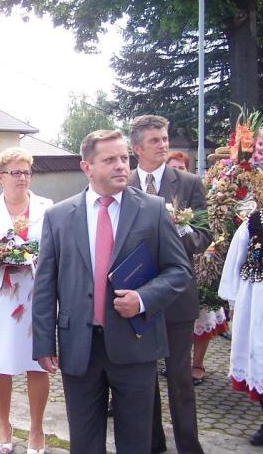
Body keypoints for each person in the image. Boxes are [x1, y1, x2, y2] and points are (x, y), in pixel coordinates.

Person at [33, 129, 192, 454]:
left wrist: (143, 299)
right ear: (87, 167)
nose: (121, 165)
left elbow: (179, 270)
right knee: (84, 443)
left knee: (135, 443)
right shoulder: (58, 216)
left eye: (124, 158)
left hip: (135, 345)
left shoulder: (152, 209)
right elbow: (45, 285)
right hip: (80, 347)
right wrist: (44, 342)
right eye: (110, 160)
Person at [129, 116, 209, 454]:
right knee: (144, 379)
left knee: (179, 379)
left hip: (177, 295)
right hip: (137, 296)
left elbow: (203, 237)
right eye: (155, 140)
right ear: (137, 148)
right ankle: (153, 444)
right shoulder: (123, 183)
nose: (163, 145)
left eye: (164, 138)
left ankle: (189, 446)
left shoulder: (188, 183)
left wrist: (180, 230)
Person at [0, 147, 52, 454]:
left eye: (26, 172)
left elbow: (53, 250)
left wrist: (33, 259)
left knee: (38, 362)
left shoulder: (46, 206)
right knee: (1, 363)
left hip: (35, 294)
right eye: (15, 173)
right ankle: (3, 424)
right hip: (1, 297)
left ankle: (36, 429)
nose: (22, 178)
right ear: (0, 177)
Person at [166, 150, 228, 385]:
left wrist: (180, 225)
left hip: (203, 261)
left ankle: (197, 364)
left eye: (180, 168)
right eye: (172, 168)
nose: (176, 172)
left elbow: (205, 230)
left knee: (200, 315)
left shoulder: (195, 188)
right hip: (172, 268)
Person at [219, 210, 263, 446]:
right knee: (259, 355)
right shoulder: (254, 222)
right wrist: (234, 301)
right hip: (257, 300)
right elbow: (235, 261)